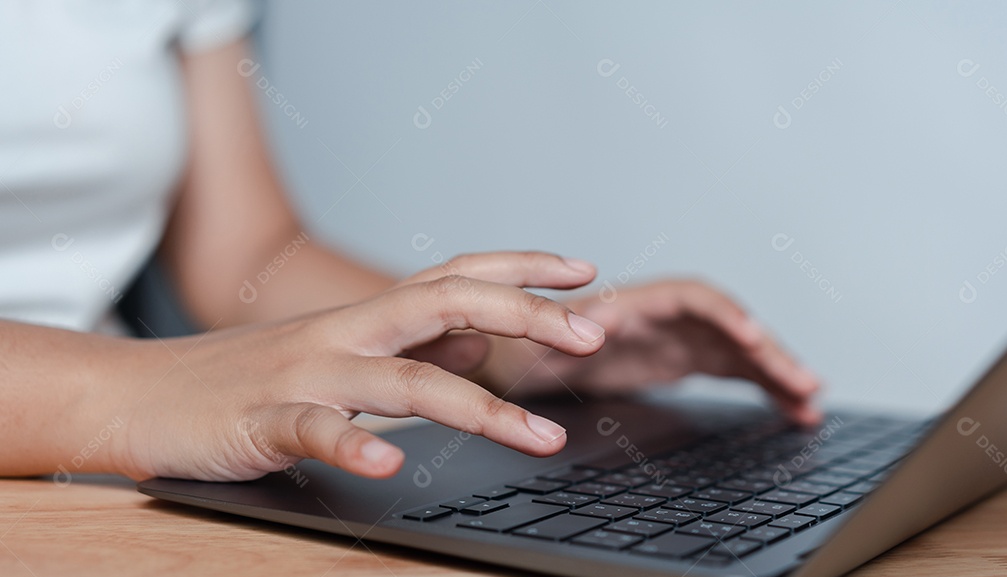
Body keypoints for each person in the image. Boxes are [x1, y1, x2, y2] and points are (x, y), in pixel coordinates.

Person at [0, 0, 821, 484]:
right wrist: (138, 393)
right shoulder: (135, 399)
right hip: (106, 437)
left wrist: (499, 347)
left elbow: (244, 257)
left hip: (92, 484)